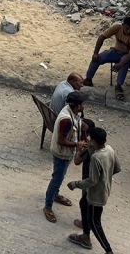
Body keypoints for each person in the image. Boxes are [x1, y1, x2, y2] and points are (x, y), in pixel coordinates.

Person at [68, 126, 119, 253]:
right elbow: (116, 168)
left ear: (95, 141)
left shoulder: (96, 157)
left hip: (95, 195)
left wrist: (75, 184)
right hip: (104, 190)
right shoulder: (109, 149)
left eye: (90, 138)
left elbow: (92, 181)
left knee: (95, 223)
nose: (88, 140)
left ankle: (108, 250)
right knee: (82, 203)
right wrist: (105, 177)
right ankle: (85, 235)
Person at [44, 91, 86, 223]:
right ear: (77, 106)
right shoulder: (66, 120)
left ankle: (55, 195)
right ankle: (47, 206)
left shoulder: (71, 111)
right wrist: (77, 144)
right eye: (82, 104)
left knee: (60, 176)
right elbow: (61, 141)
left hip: (66, 153)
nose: (84, 106)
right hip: (61, 153)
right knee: (56, 179)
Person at [83, 16, 130, 99]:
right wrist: (95, 53)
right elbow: (101, 37)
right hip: (116, 52)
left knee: (124, 62)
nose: (129, 31)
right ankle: (88, 79)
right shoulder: (117, 28)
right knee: (97, 58)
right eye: (127, 28)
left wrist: (120, 64)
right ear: (122, 25)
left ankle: (118, 86)